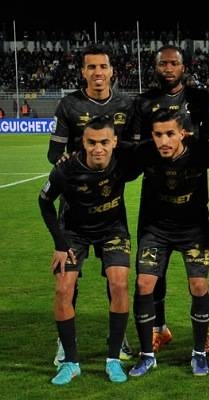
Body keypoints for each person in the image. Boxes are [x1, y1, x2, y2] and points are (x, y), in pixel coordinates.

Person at [47, 44, 135, 365]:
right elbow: (54, 154)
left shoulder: (126, 104)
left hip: (111, 207)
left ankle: (118, 338)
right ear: (83, 71)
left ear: (112, 71)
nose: (98, 72)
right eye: (91, 67)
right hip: (75, 207)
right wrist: (79, 166)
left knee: (117, 279)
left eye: (103, 66)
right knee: (67, 281)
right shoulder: (69, 105)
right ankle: (65, 342)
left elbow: (134, 149)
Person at [38, 115, 139, 385]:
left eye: (104, 142)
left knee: (119, 284)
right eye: (92, 142)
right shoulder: (66, 168)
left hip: (112, 229)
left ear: (115, 141)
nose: (98, 148)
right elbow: (44, 201)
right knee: (63, 289)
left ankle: (113, 359)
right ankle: (70, 362)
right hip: (74, 233)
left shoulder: (126, 159)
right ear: (83, 142)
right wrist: (60, 244)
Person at [131, 45, 209, 354]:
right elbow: (134, 146)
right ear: (155, 67)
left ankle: (202, 335)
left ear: (184, 67)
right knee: (152, 274)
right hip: (155, 205)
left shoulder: (200, 99)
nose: (168, 69)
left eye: (173, 63)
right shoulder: (143, 102)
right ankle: (159, 329)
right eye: (162, 64)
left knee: (198, 281)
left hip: (192, 202)